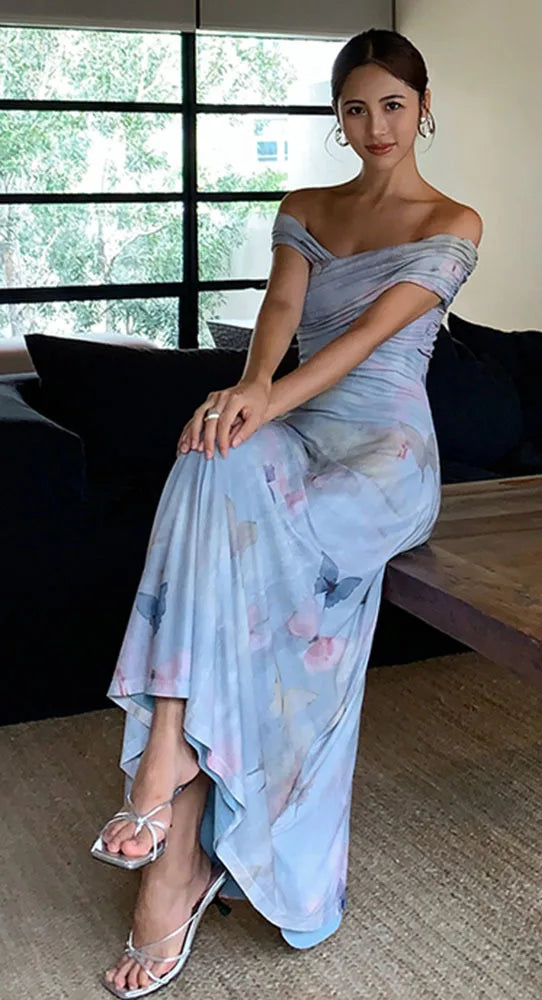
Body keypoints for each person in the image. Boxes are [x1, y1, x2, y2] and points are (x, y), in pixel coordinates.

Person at [93, 27, 481, 999]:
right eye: (356, 108)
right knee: (210, 451)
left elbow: (366, 339)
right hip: (298, 427)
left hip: (384, 454)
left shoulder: (454, 220)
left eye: (393, 105)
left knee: (242, 480)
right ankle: (172, 749)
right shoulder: (306, 206)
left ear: (423, 107)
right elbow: (279, 312)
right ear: (336, 117)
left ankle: (173, 807)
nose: (375, 125)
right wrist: (247, 390)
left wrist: (270, 400)